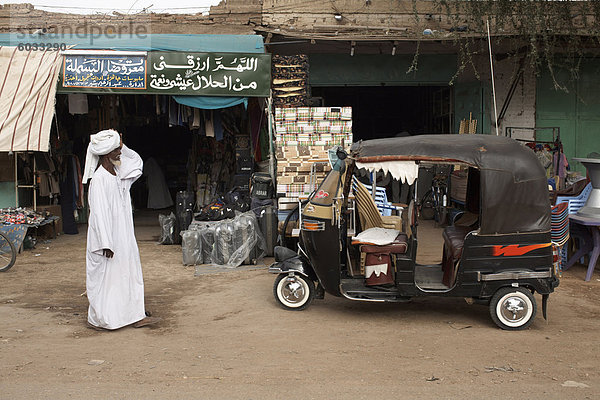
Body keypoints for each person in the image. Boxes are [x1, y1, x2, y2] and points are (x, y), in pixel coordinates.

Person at [82, 129, 160, 330]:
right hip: (108, 240)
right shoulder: (99, 180)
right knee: (109, 280)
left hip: (123, 237)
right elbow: (98, 215)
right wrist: (105, 243)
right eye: (116, 150)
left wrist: (122, 145)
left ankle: (133, 314)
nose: (120, 154)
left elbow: (136, 162)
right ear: (107, 154)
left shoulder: (118, 174)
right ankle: (106, 318)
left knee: (128, 274)